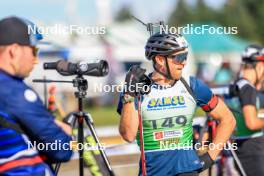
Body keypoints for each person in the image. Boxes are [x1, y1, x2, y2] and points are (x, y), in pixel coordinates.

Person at [117, 32, 236, 176]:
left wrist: (210, 157)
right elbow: (128, 135)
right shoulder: (137, 90)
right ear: (160, 60)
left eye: (185, 56)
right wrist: (129, 95)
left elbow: (228, 119)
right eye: (179, 58)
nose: (184, 62)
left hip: (187, 171)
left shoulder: (191, 85)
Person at [0, 16, 72, 176]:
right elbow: (61, 150)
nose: (35, 60)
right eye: (34, 50)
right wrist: (65, 132)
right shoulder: (14, 91)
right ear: (14, 51)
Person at [225, 44, 264, 176]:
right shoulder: (248, 88)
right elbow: (251, 122)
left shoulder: (236, 84)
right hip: (252, 151)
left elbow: (241, 114)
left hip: (238, 148)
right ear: (259, 66)